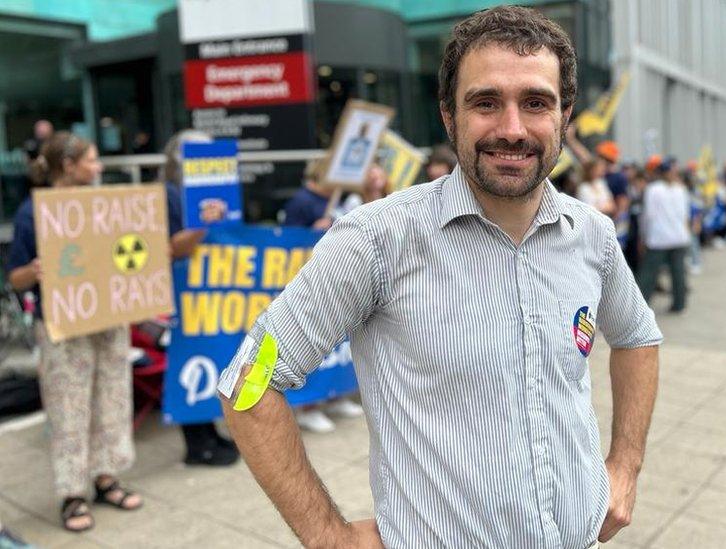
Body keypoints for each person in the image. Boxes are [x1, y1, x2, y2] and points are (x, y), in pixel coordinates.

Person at [218, 6, 661, 548]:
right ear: (450, 117)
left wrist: (626, 466)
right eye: (486, 102)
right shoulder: (376, 238)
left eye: (536, 103)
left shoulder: (590, 233)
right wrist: (329, 536)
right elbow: (249, 379)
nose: (513, 128)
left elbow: (638, 337)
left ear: (565, 116)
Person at [8, 132, 143, 532]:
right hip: (63, 325)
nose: (99, 168)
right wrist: (33, 272)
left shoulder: (108, 206)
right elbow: (14, 279)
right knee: (69, 407)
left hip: (109, 319)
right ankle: (72, 494)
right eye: (92, 160)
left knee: (114, 396)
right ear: (68, 165)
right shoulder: (32, 213)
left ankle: (107, 477)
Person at [162, 130, 242, 465]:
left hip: (206, 286)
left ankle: (209, 431)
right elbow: (167, 248)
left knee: (210, 355)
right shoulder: (167, 195)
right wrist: (200, 227)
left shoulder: (205, 191)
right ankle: (196, 442)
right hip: (181, 290)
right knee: (189, 360)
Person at [281, 156, 366, 433]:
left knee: (337, 345)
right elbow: (289, 241)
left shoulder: (336, 199)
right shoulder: (302, 201)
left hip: (335, 278)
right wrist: (311, 232)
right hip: (312, 280)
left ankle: (334, 396)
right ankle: (309, 407)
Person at [639, 157, 691, 312]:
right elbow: (685, 214)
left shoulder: (653, 189)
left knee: (649, 274)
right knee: (678, 273)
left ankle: (641, 306)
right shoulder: (681, 189)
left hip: (659, 238)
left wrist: (644, 236)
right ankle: (679, 304)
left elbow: (648, 215)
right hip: (678, 236)